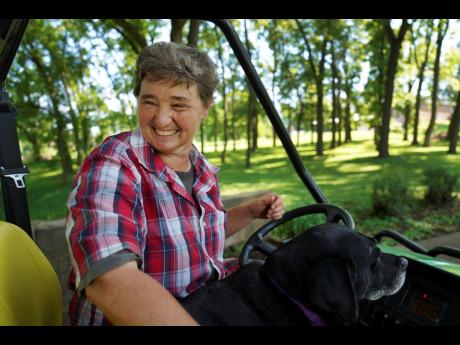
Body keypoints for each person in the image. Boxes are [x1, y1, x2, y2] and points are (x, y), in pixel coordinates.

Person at [65, 41, 285, 326]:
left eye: (178, 104)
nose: (161, 118)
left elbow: (198, 234)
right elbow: (109, 279)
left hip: (207, 303)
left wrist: (252, 211)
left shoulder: (202, 168)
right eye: (149, 102)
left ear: (206, 107)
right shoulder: (112, 164)